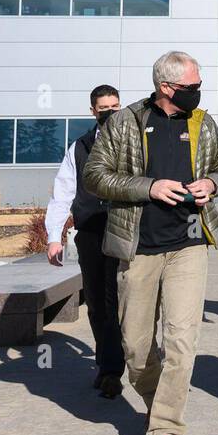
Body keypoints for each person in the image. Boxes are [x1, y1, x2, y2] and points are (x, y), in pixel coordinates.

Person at [83, 51, 218, 435]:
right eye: (192, 85)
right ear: (167, 88)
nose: (198, 91)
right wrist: (149, 187)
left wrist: (212, 183)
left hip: (189, 245)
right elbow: (96, 176)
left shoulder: (202, 123)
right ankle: (159, 406)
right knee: (135, 349)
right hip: (138, 248)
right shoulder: (124, 123)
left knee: (182, 345)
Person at [44, 84, 126, 398]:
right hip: (92, 231)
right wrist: (55, 237)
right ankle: (109, 369)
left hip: (127, 231)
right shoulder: (79, 147)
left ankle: (140, 362)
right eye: (104, 109)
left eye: (115, 107)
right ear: (92, 111)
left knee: (128, 300)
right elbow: (62, 193)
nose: (110, 114)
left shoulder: (134, 143)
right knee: (98, 302)